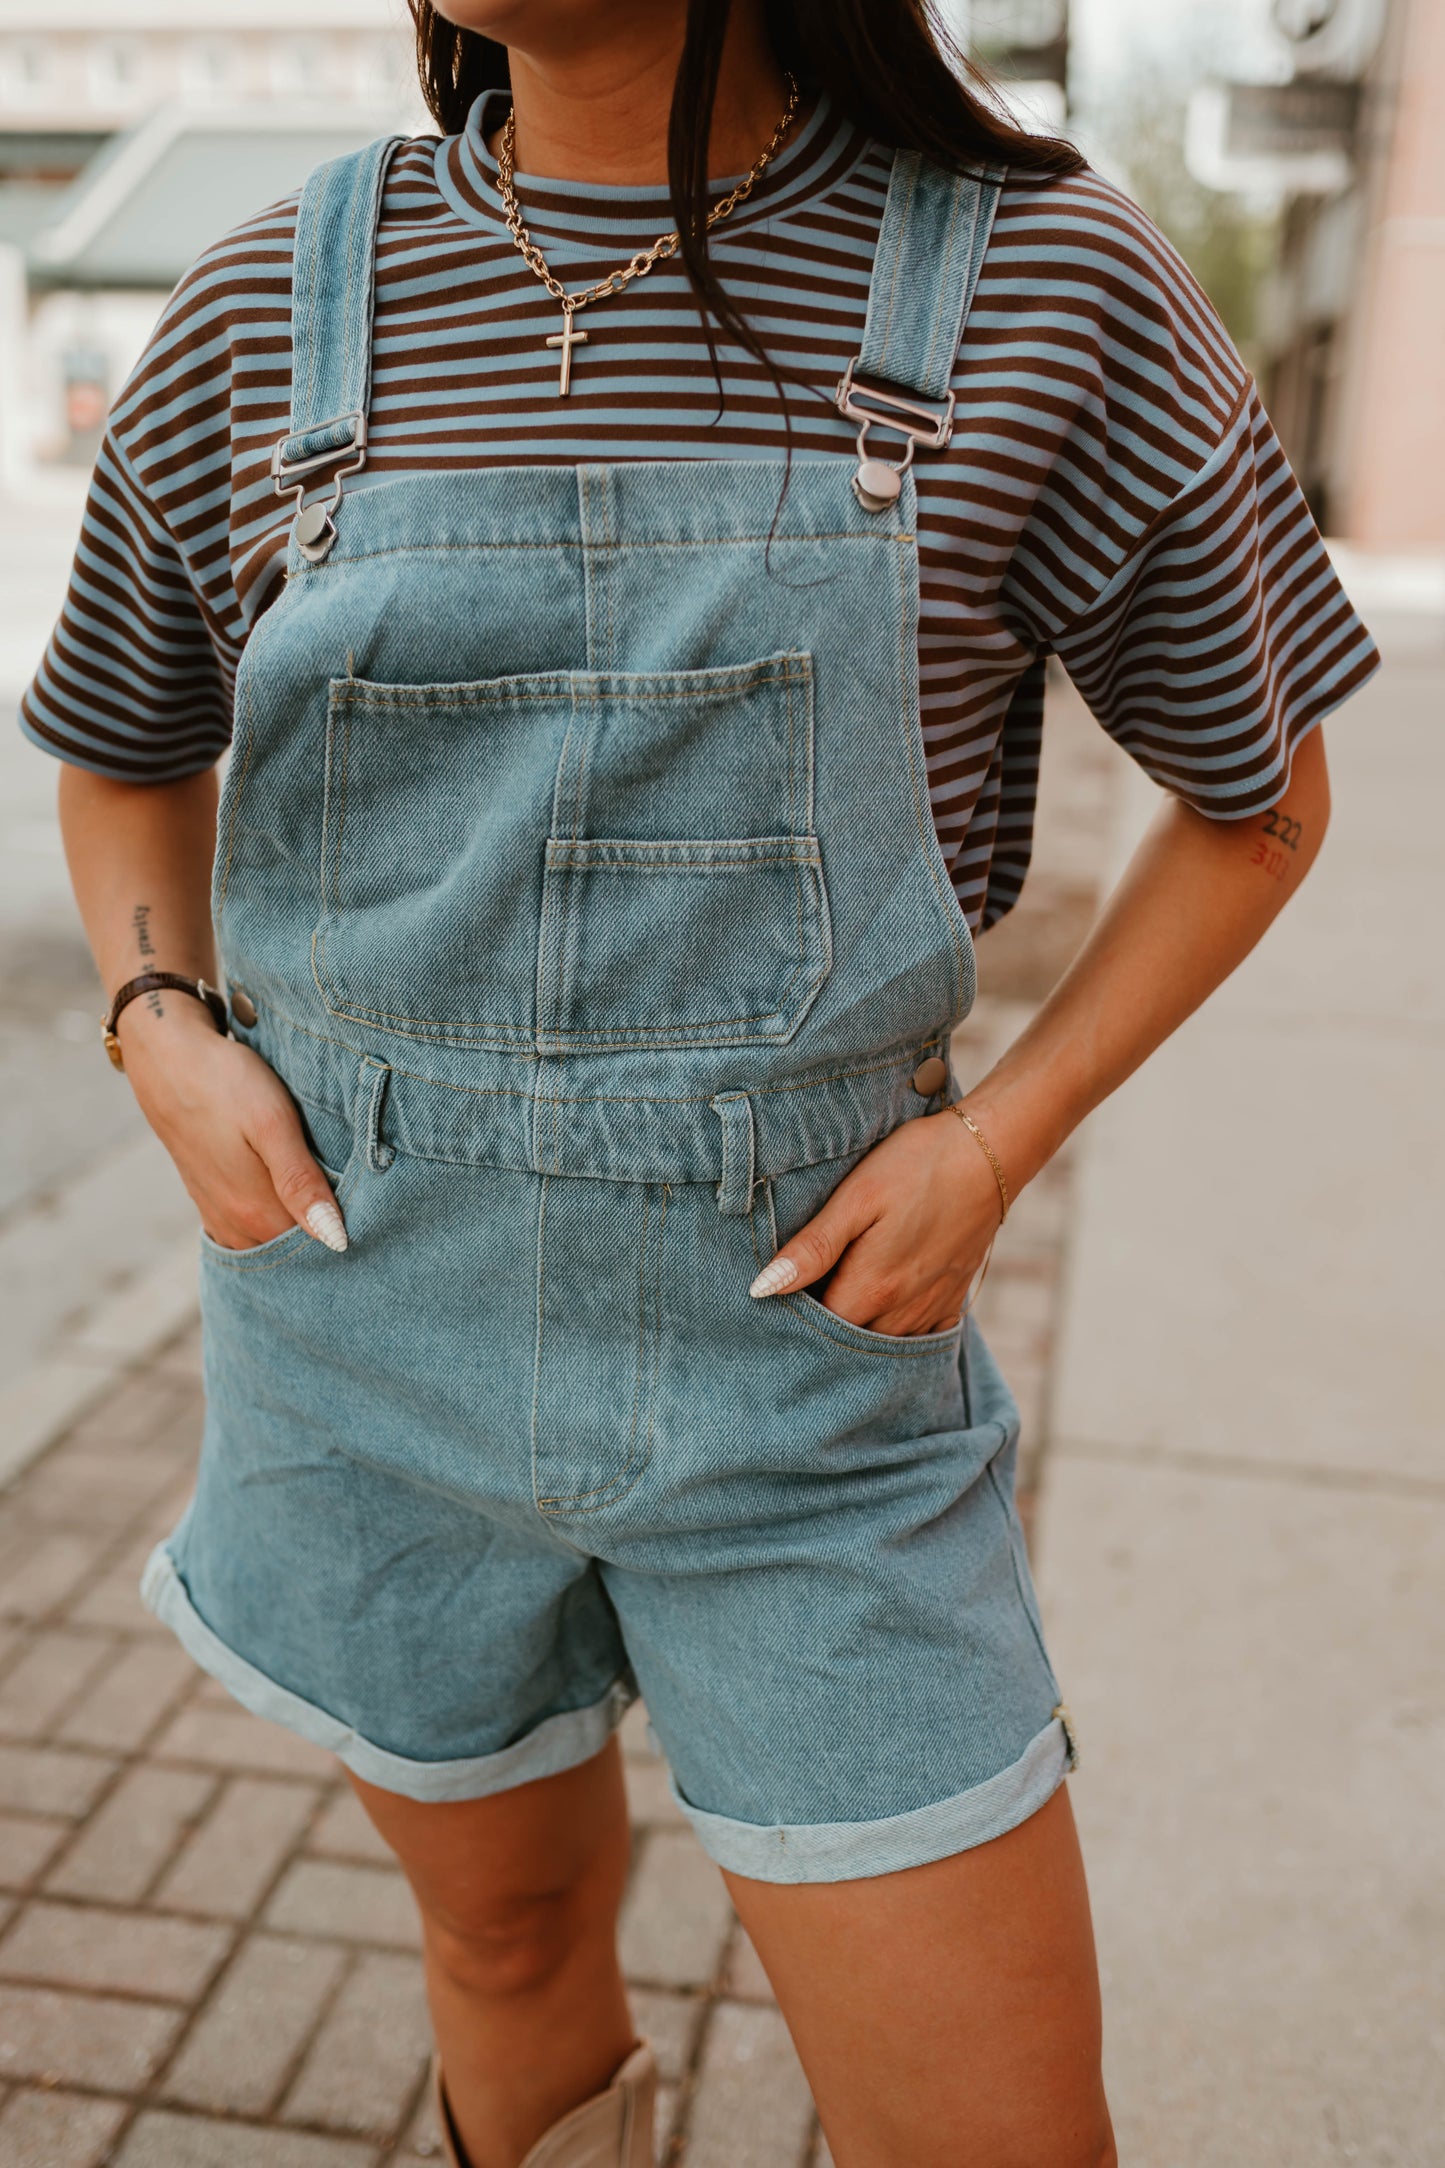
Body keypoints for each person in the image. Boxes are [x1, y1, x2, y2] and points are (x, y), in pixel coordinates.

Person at [23, 2, 1378, 2163]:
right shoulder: (272, 299)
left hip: (807, 1384)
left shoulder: (1039, 283)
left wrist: (996, 1144)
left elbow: (1261, 797)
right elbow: (121, 745)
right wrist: (158, 1026)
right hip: (362, 1345)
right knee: (502, 1946)